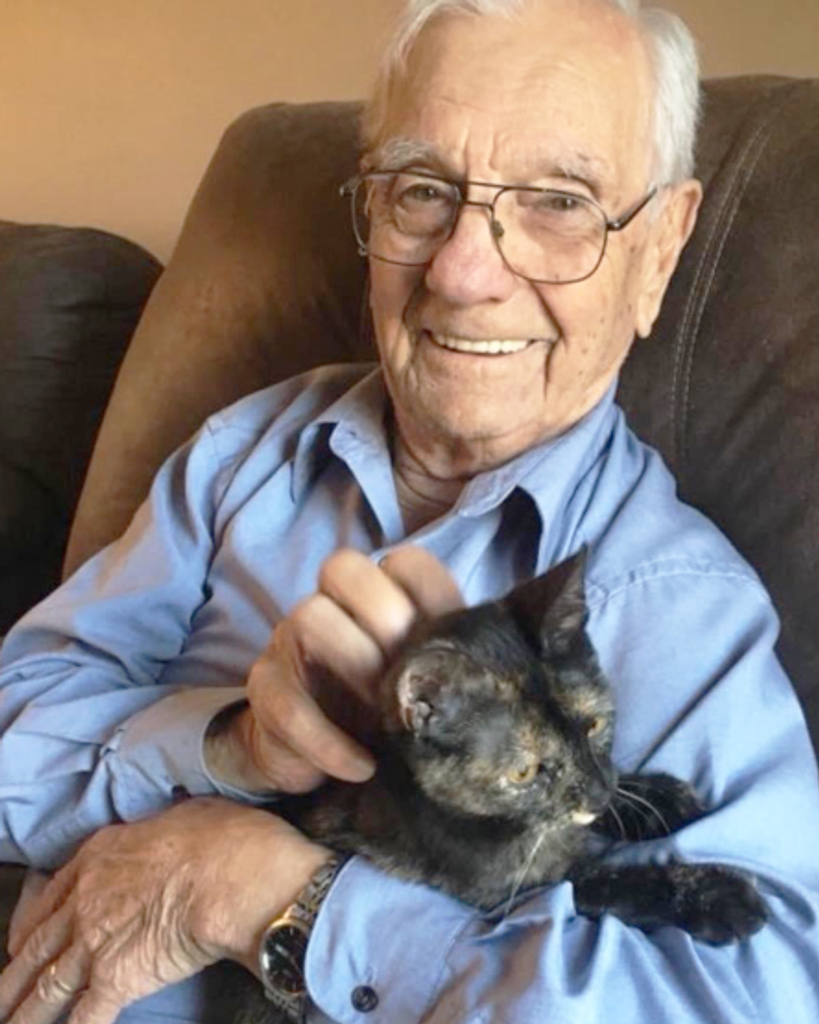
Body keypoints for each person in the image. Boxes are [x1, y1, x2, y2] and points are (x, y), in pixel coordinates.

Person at [1, 0, 818, 1021]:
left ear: (659, 247)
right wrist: (230, 748)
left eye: (559, 202)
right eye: (423, 190)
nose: (465, 274)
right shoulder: (242, 452)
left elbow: (756, 994)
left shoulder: (672, 601)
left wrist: (267, 894)